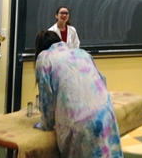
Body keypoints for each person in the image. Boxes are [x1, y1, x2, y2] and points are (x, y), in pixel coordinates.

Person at [33, 30, 123, 158]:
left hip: (79, 121)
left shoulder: (44, 58)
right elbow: (101, 80)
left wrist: (45, 124)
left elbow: (46, 97)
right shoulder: (81, 52)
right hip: (105, 111)